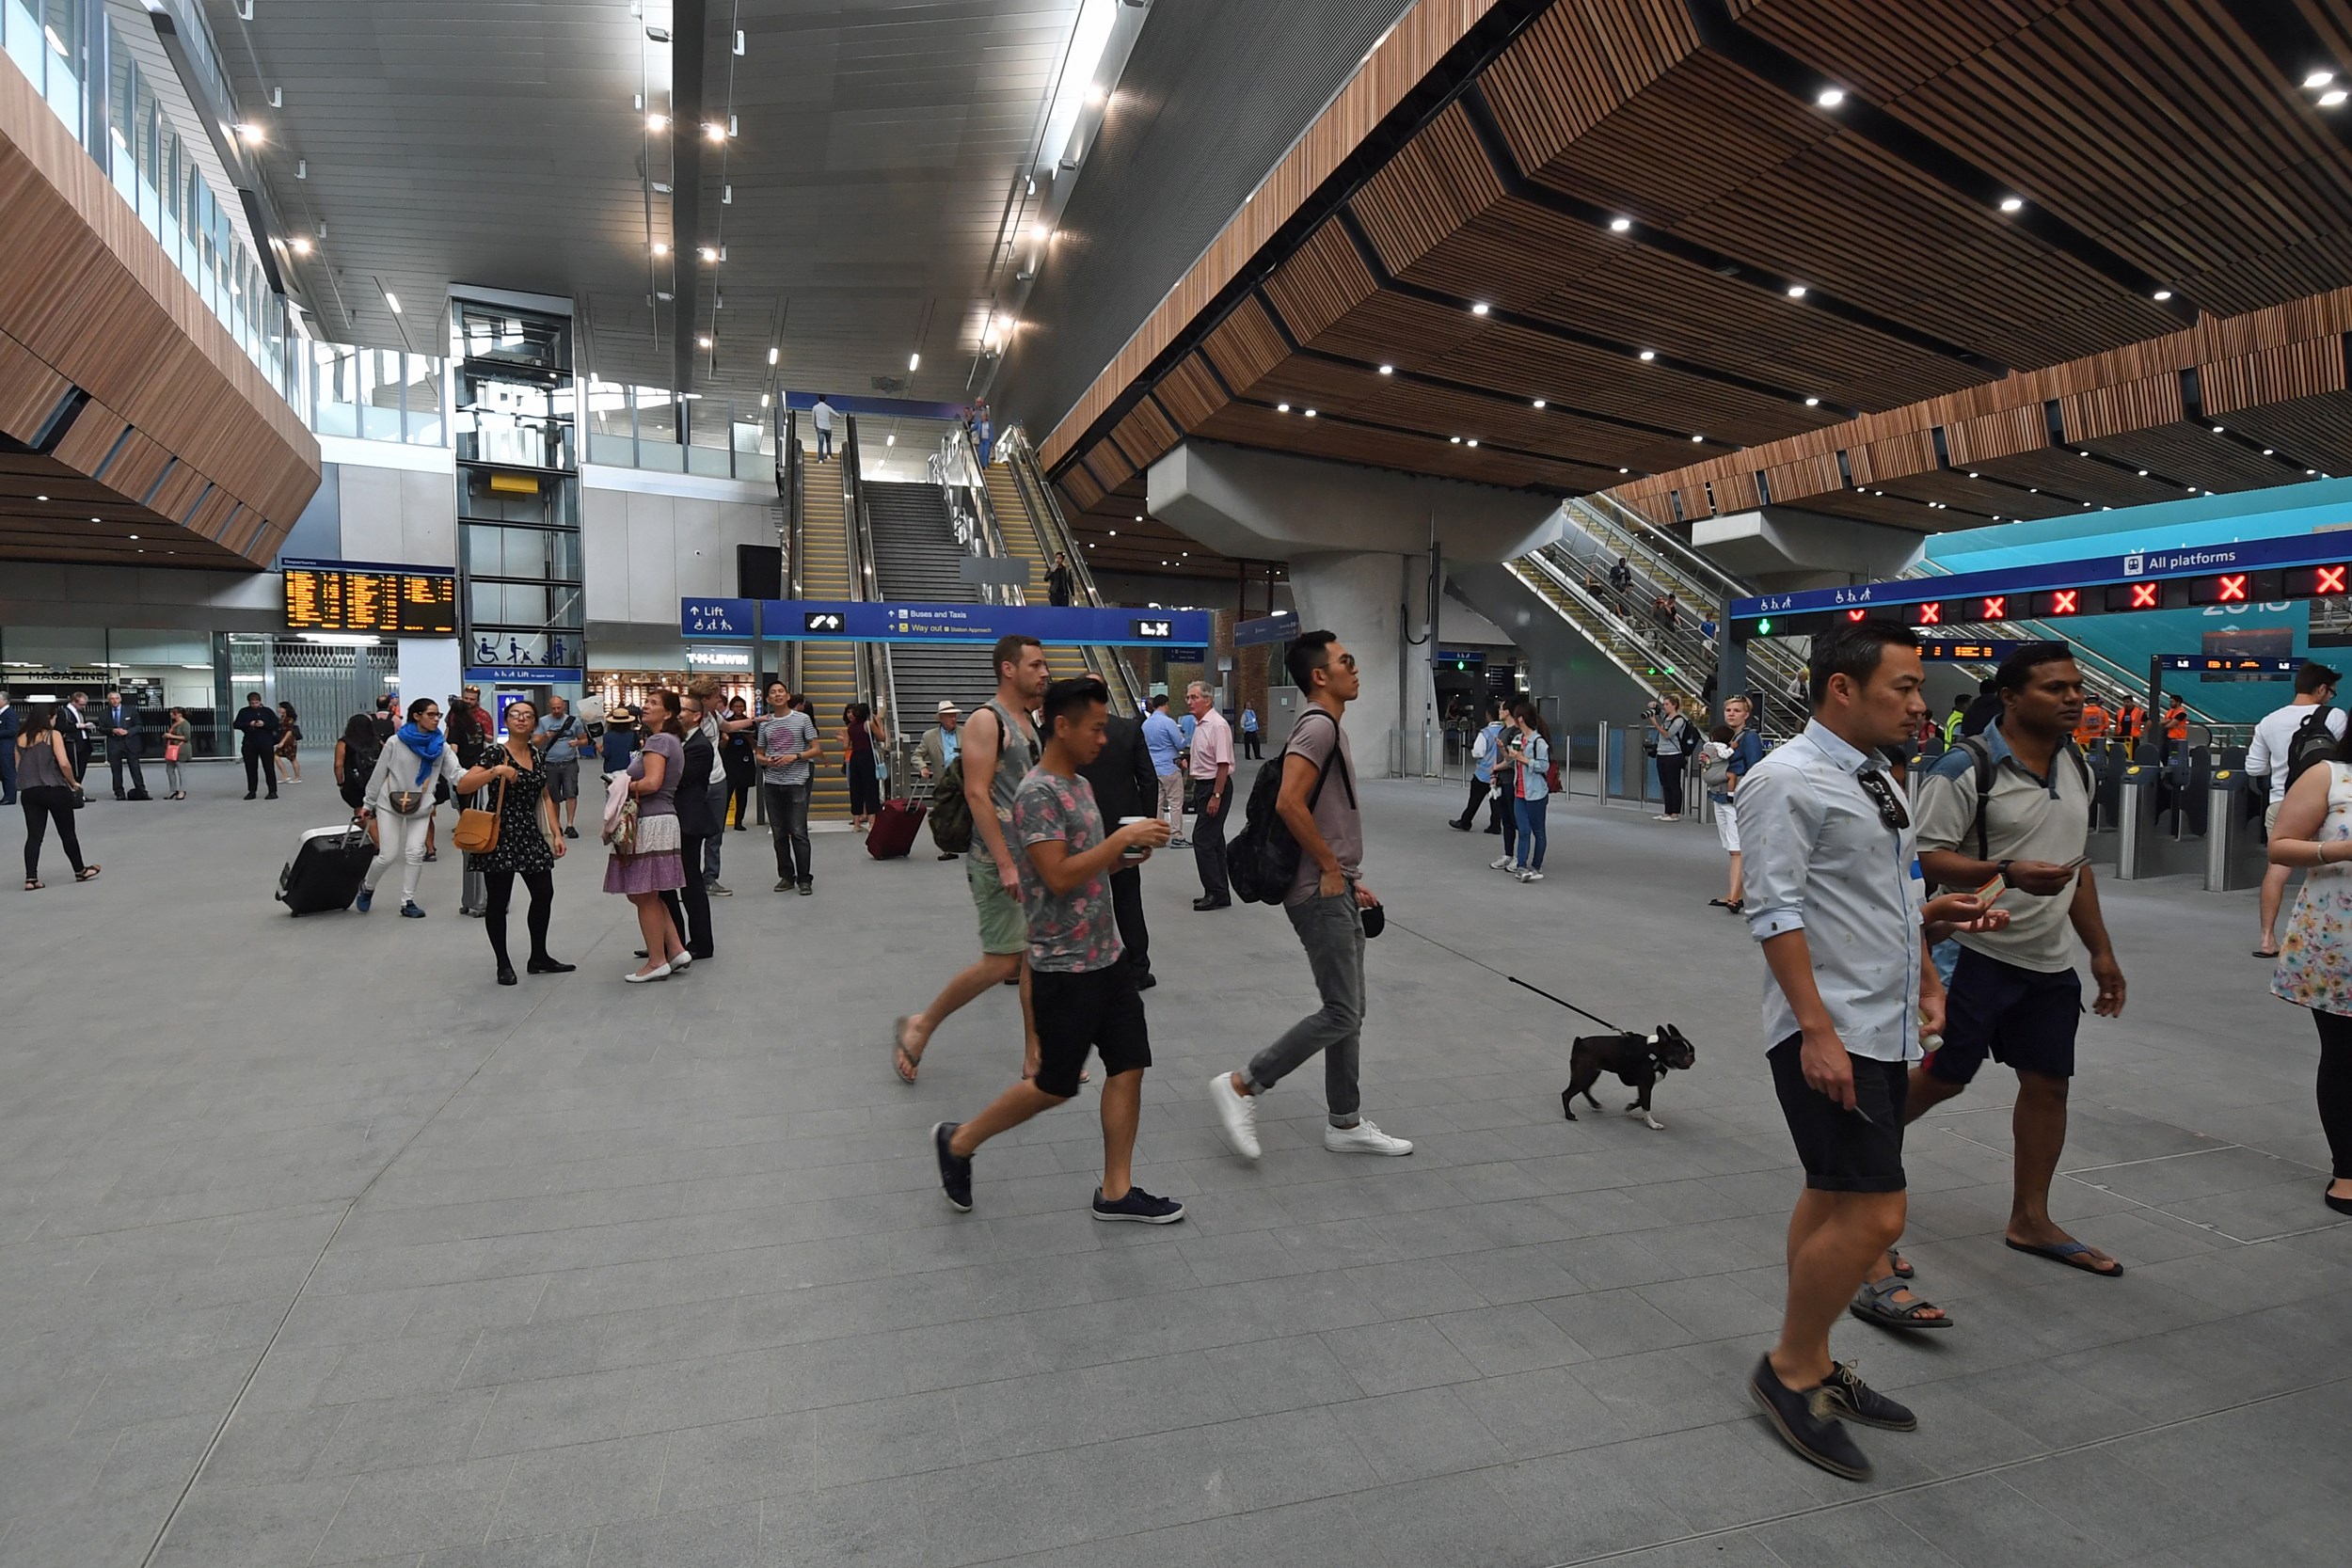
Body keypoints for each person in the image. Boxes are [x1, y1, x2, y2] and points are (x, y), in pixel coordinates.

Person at [1737, 619, 2007, 1481]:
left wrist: (1928, 953)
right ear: (1842, 687)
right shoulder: (1783, 780)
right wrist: (1816, 1030)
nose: (1921, 704)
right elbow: (1773, 911)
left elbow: (1887, 894)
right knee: (1878, 1213)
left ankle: (1812, 1363)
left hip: (1878, 1024)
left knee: (1832, 1192)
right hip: (1832, 1030)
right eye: (1904, 685)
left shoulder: (1879, 778)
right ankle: (1787, 1369)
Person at [1857, 642, 2128, 1323]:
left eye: (2077, 687)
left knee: (2048, 1083)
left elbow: (2078, 867)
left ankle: (2030, 1218)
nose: (2073, 698)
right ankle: (1858, 1197)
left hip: (2046, 960)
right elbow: (1923, 855)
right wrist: (2003, 868)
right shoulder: (1965, 765)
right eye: (2055, 688)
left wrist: (2100, 952)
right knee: (1941, 1077)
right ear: (2011, 695)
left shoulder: (2076, 763)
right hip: (1973, 954)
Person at [930, 676, 1179, 1220]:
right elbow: (1057, 876)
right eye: (1095, 727)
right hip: (1064, 966)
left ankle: (1116, 1191)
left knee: (1130, 1063)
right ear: (1060, 727)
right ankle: (959, 1141)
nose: (1104, 738)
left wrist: (1124, 856)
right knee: (1053, 1086)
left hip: (1107, 956)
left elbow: (1089, 868)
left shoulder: (1081, 787)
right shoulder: (1037, 793)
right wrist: (1114, 842)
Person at [1207, 630, 1412, 1162]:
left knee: (1350, 1009)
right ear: (1320, 675)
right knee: (1342, 1011)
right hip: (1317, 890)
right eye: (1346, 661)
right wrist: (1327, 866)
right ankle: (1242, 1084)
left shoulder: (1327, 726)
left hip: (1335, 884)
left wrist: (1345, 874)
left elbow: (1317, 811)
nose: (1355, 668)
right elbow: (1289, 803)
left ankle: (1344, 1123)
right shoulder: (1318, 727)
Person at [891, 635, 1049, 1084]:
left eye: (1044, 665)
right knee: (1001, 963)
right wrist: (1004, 862)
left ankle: (1035, 1055)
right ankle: (921, 1025)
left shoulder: (1027, 720)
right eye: (1035, 665)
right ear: (1008, 669)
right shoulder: (986, 720)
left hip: (1029, 859)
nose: (1044, 672)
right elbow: (977, 793)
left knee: (1034, 958)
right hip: (998, 859)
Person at [2265, 716, 2352, 1215]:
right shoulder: (2328, 775)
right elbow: (2281, 845)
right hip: (2339, 945)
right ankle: (2347, 1169)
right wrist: (2340, 849)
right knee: (2345, 1057)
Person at [462, 697, 575, 985]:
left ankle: (539, 956)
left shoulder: (537, 755)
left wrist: (556, 832)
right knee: (498, 901)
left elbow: (545, 795)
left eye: (527, 715)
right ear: (507, 721)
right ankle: (503, 963)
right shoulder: (495, 754)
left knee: (543, 893)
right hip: (500, 833)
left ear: (535, 722)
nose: (521, 719)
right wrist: (496, 772)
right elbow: (463, 784)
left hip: (529, 832)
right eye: (515, 714)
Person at [2249, 661, 2345, 959]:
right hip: (2328, 803)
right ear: (2320, 689)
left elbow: (2254, 767)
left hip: (2282, 802)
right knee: (2332, 870)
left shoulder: (2268, 721)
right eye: (2331, 691)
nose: (2331, 697)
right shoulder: (2334, 716)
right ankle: (2328, 943)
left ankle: (2267, 939)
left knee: (2277, 869)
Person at [1075, 689, 1161, 990]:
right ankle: (1139, 967)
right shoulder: (1129, 729)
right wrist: (1146, 826)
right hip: (1128, 827)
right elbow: (1148, 780)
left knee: (1084, 896)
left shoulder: (1074, 734)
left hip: (1084, 826)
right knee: (1128, 900)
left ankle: (1088, 965)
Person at [357, 698, 469, 917]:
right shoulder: (395, 742)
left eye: (438, 715)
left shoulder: (441, 747)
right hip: (390, 802)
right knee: (387, 855)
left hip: (422, 804)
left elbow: (456, 775)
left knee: (415, 853)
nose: (436, 719)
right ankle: (367, 887)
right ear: (417, 716)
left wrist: (485, 774)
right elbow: (379, 773)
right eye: (431, 714)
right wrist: (367, 804)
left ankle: (407, 901)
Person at [608, 689, 690, 981]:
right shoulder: (672, 741)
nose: (646, 706)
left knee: (642, 893)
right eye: (647, 702)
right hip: (663, 819)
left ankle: (656, 961)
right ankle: (676, 949)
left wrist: (622, 785)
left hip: (651, 819)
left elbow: (652, 782)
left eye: (654, 703)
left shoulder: (658, 741)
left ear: (668, 713)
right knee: (650, 892)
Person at [664, 693, 722, 962]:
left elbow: (677, 778)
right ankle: (671, 940)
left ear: (697, 715)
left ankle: (701, 942)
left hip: (688, 822)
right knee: (667, 884)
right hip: (671, 820)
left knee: (690, 884)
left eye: (682, 711)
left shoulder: (699, 745)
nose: (676, 715)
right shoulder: (677, 740)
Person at [16, 705, 95, 888]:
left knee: (34, 836)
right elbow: (64, 763)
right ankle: (80, 870)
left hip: (29, 791)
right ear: (49, 718)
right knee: (67, 832)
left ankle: (31, 878)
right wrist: (73, 782)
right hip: (54, 789)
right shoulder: (53, 735)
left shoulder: (20, 738)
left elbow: (18, 766)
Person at [755, 680, 820, 893]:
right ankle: (786, 876)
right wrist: (766, 761)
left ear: (788, 696)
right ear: (768, 699)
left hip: (796, 782)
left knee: (799, 831)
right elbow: (759, 753)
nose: (777, 695)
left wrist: (795, 756)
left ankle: (804, 879)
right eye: (773, 692)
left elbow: (816, 749)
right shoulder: (765, 723)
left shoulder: (802, 719)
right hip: (772, 783)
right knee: (779, 833)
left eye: (781, 691)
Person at [1708, 694, 1767, 914]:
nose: (1731, 714)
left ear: (1746, 714)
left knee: (1737, 848)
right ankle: (1734, 894)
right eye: (1728, 710)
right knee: (1732, 848)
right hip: (1720, 796)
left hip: (1736, 799)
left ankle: (1735, 897)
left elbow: (1754, 767)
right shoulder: (1726, 737)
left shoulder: (1749, 738)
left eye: (1736, 710)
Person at [1185, 682, 1235, 911]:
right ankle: (1219, 892)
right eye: (1188, 697)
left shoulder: (1217, 725)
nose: (1189, 701)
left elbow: (1223, 764)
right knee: (1214, 841)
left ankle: (1215, 892)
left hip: (1216, 786)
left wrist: (1217, 794)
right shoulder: (1200, 725)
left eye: (1194, 697)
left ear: (1208, 700)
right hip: (1204, 786)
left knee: (1202, 840)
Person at [684, 675, 736, 895]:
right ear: (705, 699)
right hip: (694, 783)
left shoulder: (714, 716)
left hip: (717, 780)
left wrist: (757, 721)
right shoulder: (683, 722)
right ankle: (688, 879)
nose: (719, 701)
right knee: (689, 832)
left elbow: (730, 726)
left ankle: (710, 878)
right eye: (716, 697)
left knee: (716, 831)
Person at [1504, 700, 1551, 883]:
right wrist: (1505, 750)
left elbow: (1544, 766)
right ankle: (1521, 865)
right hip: (1520, 792)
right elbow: (1511, 761)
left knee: (1538, 831)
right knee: (1523, 830)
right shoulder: (1518, 739)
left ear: (1521, 719)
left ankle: (1536, 865)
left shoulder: (1538, 742)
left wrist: (1523, 759)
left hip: (1537, 793)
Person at [535, 694, 589, 840]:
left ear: (564, 706)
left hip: (569, 762)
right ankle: (556, 824)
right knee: (553, 796)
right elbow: (535, 742)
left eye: (559, 707)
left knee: (571, 792)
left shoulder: (574, 721)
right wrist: (545, 737)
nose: (557, 710)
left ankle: (570, 824)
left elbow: (584, 740)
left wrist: (577, 743)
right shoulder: (543, 721)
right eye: (553, 708)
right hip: (550, 763)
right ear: (549, 707)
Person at [1450, 700, 1503, 832]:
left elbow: (1478, 752)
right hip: (1500, 772)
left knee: (1475, 799)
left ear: (1489, 715)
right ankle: (1495, 825)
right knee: (1495, 799)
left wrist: (1472, 750)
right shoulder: (1505, 731)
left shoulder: (1486, 733)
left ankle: (1465, 821)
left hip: (1484, 773)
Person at [918, 701, 962, 859]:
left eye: (955, 715)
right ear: (941, 718)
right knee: (945, 815)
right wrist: (922, 767)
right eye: (950, 716)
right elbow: (917, 755)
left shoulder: (966, 732)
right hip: (944, 780)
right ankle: (948, 848)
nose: (954, 718)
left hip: (964, 779)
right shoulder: (929, 736)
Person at [1141, 694, 1186, 846]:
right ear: (1165, 705)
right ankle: (1177, 836)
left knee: (1157, 803)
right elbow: (1180, 744)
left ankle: (1158, 838)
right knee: (1175, 802)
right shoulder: (1168, 722)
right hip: (1169, 767)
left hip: (1153, 768)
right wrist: (1183, 738)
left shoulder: (1146, 724)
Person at [335, 714, 382, 843]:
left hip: (354, 783)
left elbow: (338, 765)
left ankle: (379, 843)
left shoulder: (344, 742)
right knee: (367, 813)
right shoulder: (376, 741)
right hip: (375, 781)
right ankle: (367, 839)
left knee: (361, 811)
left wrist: (340, 782)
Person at [1648, 693, 1695, 820]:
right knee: (1665, 784)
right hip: (1662, 753)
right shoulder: (1666, 717)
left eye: (1667, 704)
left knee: (1674, 784)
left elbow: (1668, 734)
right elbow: (1657, 711)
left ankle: (1675, 813)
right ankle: (1667, 812)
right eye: (1664, 704)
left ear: (1674, 705)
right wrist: (1654, 706)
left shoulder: (1679, 720)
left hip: (1673, 754)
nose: (1665, 707)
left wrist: (1655, 724)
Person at [232, 691, 279, 800]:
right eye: (252, 703)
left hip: (265, 742)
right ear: (248, 702)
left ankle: (272, 791)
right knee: (251, 768)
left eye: (256, 703)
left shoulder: (267, 712)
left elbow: (276, 724)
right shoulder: (244, 712)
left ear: (260, 701)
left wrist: (264, 724)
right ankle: (252, 791)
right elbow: (236, 724)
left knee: (269, 767)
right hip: (249, 743)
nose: (254, 705)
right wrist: (249, 724)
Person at [103, 690, 149, 800]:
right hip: (114, 743)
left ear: (120, 699)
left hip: (130, 742)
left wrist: (128, 732)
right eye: (112, 699)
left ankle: (141, 791)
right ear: (109, 701)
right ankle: (119, 793)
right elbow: (101, 728)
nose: (114, 701)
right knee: (116, 770)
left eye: (116, 698)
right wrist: (112, 730)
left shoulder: (131, 710)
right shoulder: (104, 713)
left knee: (135, 768)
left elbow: (139, 725)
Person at [844, 701, 881, 832]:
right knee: (870, 788)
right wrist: (879, 723)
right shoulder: (868, 724)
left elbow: (846, 746)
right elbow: (882, 737)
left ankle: (856, 824)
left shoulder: (850, 727)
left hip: (855, 758)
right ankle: (872, 823)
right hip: (868, 757)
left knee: (856, 789)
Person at [722, 694, 757, 832]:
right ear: (731, 708)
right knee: (727, 793)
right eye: (736, 706)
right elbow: (722, 745)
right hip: (730, 760)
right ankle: (722, 822)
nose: (739, 708)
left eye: (741, 706)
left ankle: (739, 822)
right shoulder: (726, 723)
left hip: (745, 760)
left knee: (743, 792)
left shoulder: (749, 723)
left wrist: (748, 737)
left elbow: (755, 745)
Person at [57, 690, 94, 781]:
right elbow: (60, 727)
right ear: (74, 702)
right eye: (81, 704)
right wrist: (77, 726)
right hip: (72, 744)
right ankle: (72, 791)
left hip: (84, 743)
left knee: (81, 769)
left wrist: (87, 727)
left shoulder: (80, 711)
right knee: (74, 769)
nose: (83, 707)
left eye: (85, 704)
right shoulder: (63, 712)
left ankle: (78, 791)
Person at [161, 707, 193, 800]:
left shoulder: (185, 724)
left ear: (179, 714)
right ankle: (173, 790)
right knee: (169, 770)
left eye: (173, 713)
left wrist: (171, 736)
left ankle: (182, 791)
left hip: (181, 749)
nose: (171, 714)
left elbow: (187, 737)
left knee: (181, 771)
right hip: (172, 749)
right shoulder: (175, 724)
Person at [598, 705, 640, 774]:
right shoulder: (633, 735)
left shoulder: (608, 736)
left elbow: (606, 754)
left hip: (612, 769)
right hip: (629, 769)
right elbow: (635, 752)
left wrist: (600, 750)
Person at [274, 702, 303, 784]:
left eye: (280, 707)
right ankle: (285, 775)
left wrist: (282, 742)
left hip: (289, 741)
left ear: (285, 709)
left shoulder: (289, 719)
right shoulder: (283, 717)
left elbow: (289, 731)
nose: (279, 709)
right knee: (276, 756)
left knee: (292, 758)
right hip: (283, 739)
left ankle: (297, 777)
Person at [0, 688, 17, 807]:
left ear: (5, 700)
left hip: (6, 748)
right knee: (3, 773)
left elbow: (12, 731)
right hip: (2, 747)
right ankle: (6, 795)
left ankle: (10, 797)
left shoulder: (10, 714)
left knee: (8, 773)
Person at [812, 394, 836, 462]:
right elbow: (837, 415)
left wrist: (815, 426)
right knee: (828, 441)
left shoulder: (815, 407)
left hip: (820, 427)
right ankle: (828, 455)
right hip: (828, 427)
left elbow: (813, 419)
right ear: (825, 400)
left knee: (820, 444)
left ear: (818, 399)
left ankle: (820, 459)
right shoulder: (828, 407)